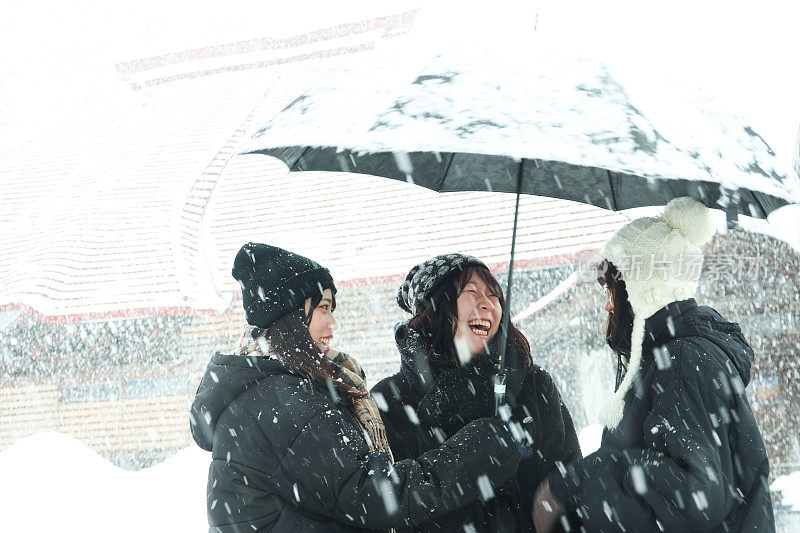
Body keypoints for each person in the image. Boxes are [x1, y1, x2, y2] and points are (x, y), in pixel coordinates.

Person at [190, 243, 523, 532]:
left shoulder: (268, 393)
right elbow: (374, 496)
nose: (333, 323)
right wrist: (476, 451)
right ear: (291, 315)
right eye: (323, 308)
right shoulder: (285, 401)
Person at [532, 197, 775, 532]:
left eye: (612, 292)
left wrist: (577, 480)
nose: (607, 306)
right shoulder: (671, 358)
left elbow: (694, 495)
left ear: (642, 291)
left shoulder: (681, 363)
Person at [372, 253, 582, 532]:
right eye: (471, 292)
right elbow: (388, 502)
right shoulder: (390, 400)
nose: (487, 303)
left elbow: (568, 485)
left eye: (494, 296)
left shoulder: (533, 386)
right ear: (436, 308)